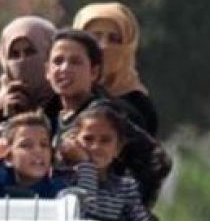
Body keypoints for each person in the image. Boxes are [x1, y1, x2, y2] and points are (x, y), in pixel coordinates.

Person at [42, 29, 170, 208]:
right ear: (47, 71)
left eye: (75, 62)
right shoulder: (51, 116)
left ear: (94, 72)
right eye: (58, 61)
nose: (64, 68)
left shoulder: (101, 113)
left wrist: (132, 210)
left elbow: (157, 159)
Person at [61, 103, 157, 221]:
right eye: (88, 139)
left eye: (105, 140)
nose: (96, 146)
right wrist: (85, 165)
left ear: (118, 148)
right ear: (74, 141)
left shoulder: (125, 187)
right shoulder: (64, 181)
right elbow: (86, 212)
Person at [72, 2, 158, 136]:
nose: (104, 46)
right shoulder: (60, 100)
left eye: (114, 39)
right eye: (96, 37)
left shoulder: (139, 108)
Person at [0, 15, 57, 142]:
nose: (22, 60)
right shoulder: (2, 106)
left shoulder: (66, 99)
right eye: (14, 55)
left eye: (30, 52)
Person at [0, 111, 70, 198]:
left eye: (44, 145)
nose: (38, 150)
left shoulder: (59, 191)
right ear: (8, 157)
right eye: (26, 145)